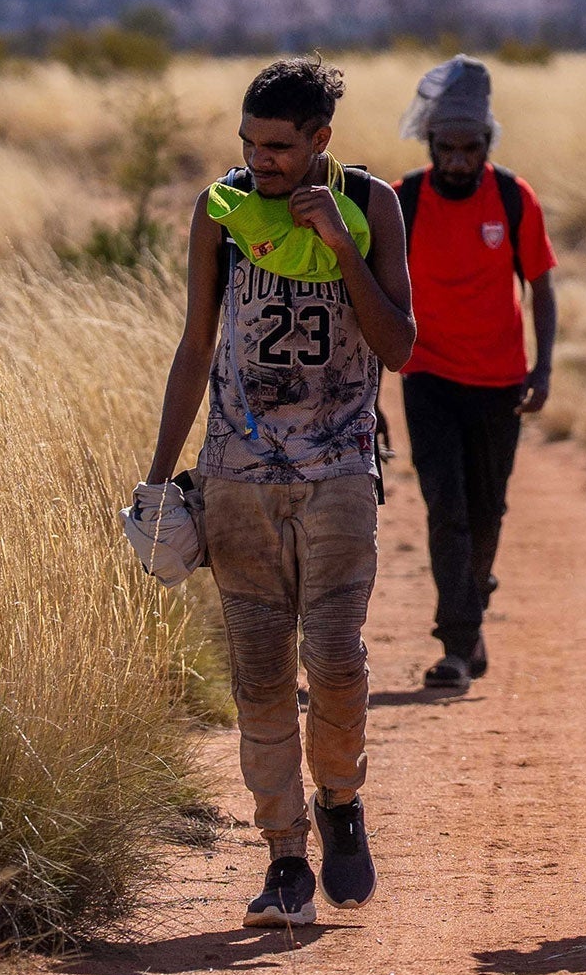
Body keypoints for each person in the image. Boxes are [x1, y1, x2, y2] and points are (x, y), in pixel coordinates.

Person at [141, 59, 415, 928]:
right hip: (237, 479)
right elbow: (196, 344)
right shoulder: (220, 211)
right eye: (250, 144)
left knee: (334, 659)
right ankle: (285, 857)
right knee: (259, 676)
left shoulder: (372, 205)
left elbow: (400, 345)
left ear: (320, 140)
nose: (260, 160)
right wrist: (160, 476)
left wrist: (341, 245)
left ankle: (340, 798)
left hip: (340, 476)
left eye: (279, 147)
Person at [394, 56, 559, 693]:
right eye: (447, 148)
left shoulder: (515, 198)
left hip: (498, 379)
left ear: (487, 143)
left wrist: (542, 368)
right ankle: (457, 646)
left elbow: (542, 285)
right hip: (428, 374)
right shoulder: (403, 201)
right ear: (429, 143)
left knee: (487, 509)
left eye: (470, 148)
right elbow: (375, 296)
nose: (458, 161)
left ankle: (471, 600)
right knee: (447, 509)